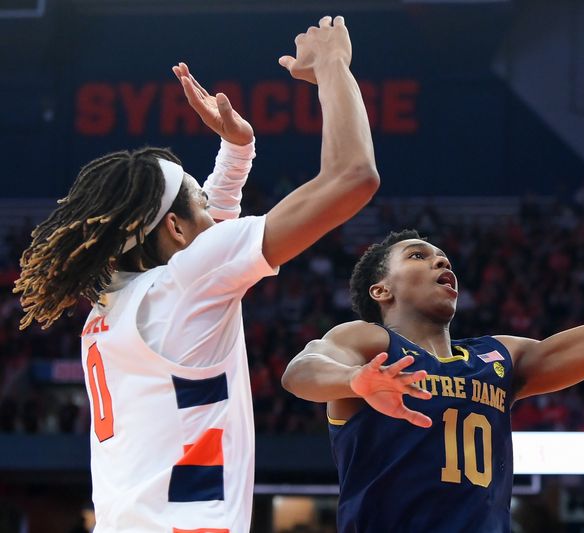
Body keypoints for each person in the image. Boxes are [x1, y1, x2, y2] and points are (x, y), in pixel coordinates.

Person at [15, 16, 378, 533]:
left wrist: (238, 151)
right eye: (201, 204)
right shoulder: (185, 284)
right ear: (176, 230)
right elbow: (352, 178)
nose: (214, 212)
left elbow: (202, 240)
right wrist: (334, 66)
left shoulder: (115, 305)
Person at [282, 172, 584, 532]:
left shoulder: (500, 359)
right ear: (381, 291)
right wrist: (357, 382)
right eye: (418, 255)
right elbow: (301, 370)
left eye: (443, 257)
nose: (439, 260)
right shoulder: (371, 343)